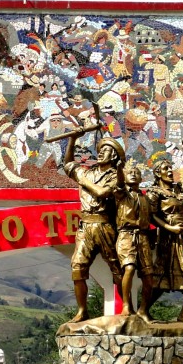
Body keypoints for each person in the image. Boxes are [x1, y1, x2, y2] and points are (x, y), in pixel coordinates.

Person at [60, 129, 124, 322]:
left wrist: (84, 182)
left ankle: (127, 307)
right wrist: (72, 140)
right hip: (85, 225)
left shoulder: (116, 176)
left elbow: (103, 193)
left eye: (106, 150)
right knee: (78, 267)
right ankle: (82, 311)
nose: (101, 153)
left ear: (113, 156)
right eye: (101, 149)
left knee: (117, 267)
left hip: (105, 225)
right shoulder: (88, 172)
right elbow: (69, 165)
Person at [148, 137, 183, 323]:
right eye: (165, 170)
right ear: (157, 174)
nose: (170, 172)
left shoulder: (181, 189)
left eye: (170, 169)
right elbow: (150, 215)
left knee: (162, 280)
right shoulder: (155, 193)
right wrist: (169, 227)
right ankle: (145, 310)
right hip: (167, 237)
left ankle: (181, 314)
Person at [113, 161, 155, 320]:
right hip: (126, 235)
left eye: (136, 172)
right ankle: (126, 305)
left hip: (143, 236)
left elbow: (153, 217)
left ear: (141, 178)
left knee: (149, 276)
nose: (133, 174)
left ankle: (143, 310)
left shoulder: (146, 199)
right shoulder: (122, 193)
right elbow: (118, 184)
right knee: (129, 268)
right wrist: (118, 168)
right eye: (129, 172)